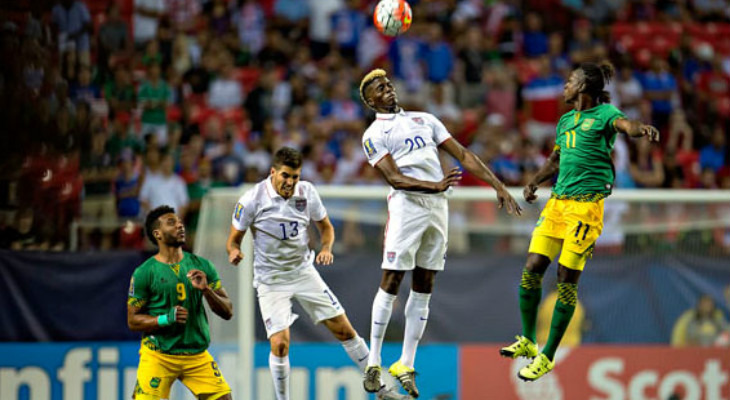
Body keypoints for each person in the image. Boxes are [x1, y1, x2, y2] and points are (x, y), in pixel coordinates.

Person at [358, 68, 522, 398]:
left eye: (389, 84)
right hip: (408, 207)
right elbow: (395, 178)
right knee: (391, 280)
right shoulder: (374, 134)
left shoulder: (425, 120)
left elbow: (463, 155)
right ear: (369, 100)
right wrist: (434, 185)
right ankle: (373, 361)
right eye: (380, 88)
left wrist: (498, 185)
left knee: (425, 284)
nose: (388, 89)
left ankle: (405, 362)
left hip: (438, 208)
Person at [499, 61, 660, 381]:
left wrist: (640, 129)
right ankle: (529, 340)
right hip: (558, 204)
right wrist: (534, 181)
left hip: (586, 209)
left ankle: (547, 355)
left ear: (584, 87)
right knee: (532, 266)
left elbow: (625, 125)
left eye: (570, 81)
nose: (565, 86)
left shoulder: (604, 115)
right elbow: (556, 158)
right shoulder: (564, 121)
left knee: (565, 278)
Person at [225, 147, 410, 400]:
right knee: (279, 343)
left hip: (303, 272)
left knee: (345, 331)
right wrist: (234, 252)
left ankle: (382, 390)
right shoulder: (251, 199)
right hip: (271, 280)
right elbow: (233, 240)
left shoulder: (307, 192)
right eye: (286, 176)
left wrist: (326, 248)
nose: (290, 182)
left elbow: (327, 228)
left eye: (295, 177)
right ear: (273, 172)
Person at [127, 205, 234, 400]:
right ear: (157, 234)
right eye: (171, 223)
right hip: (159, 354)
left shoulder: (202, 265)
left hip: (196, 355)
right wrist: (165, 319)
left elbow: (228, 311)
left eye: (180, 222)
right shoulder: (144, 272)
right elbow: (133, 321)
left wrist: (206, 291)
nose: (180, 225)